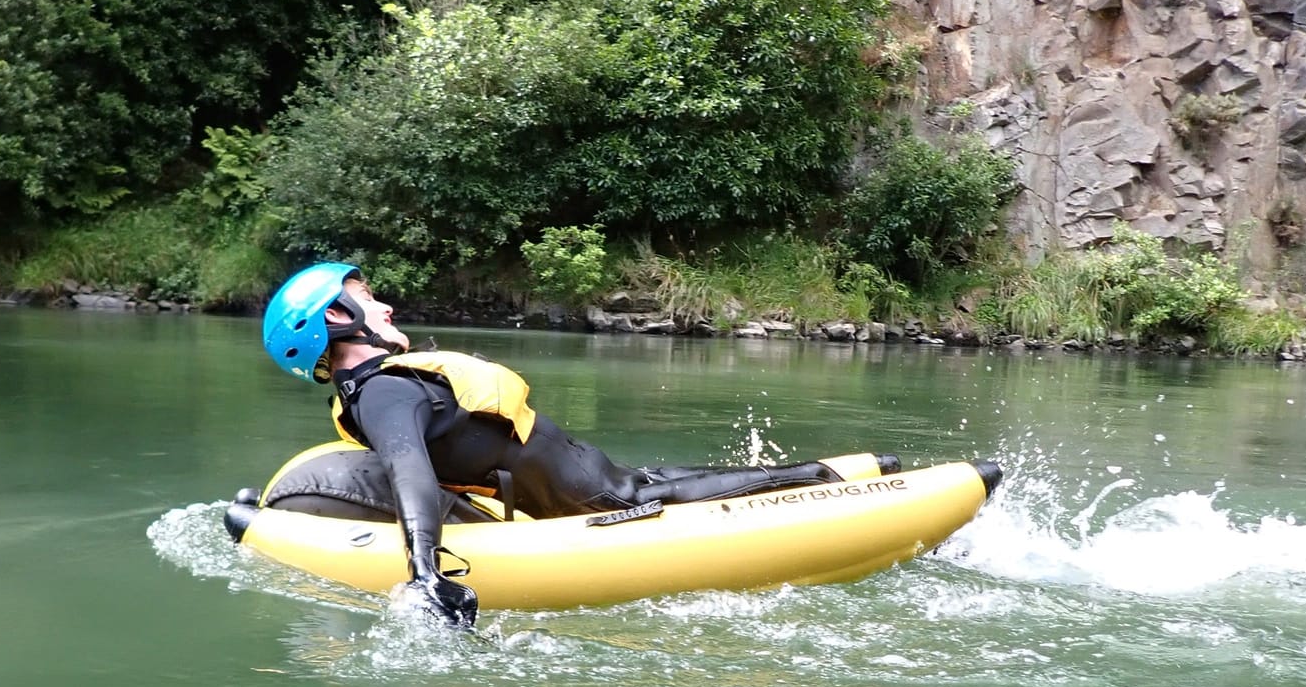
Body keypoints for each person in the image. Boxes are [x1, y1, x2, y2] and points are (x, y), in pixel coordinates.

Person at [260, 261, 880, 628]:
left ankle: (834, 479)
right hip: (589, 494)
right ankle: (828, 478)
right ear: (336, 318)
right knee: (663, 489)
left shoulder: (379, 388)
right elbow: (409, 475)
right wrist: (426, 574)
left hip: (585, 479)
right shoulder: (381, 394)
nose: (387, 305)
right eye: (369, 298)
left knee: (673, 484)